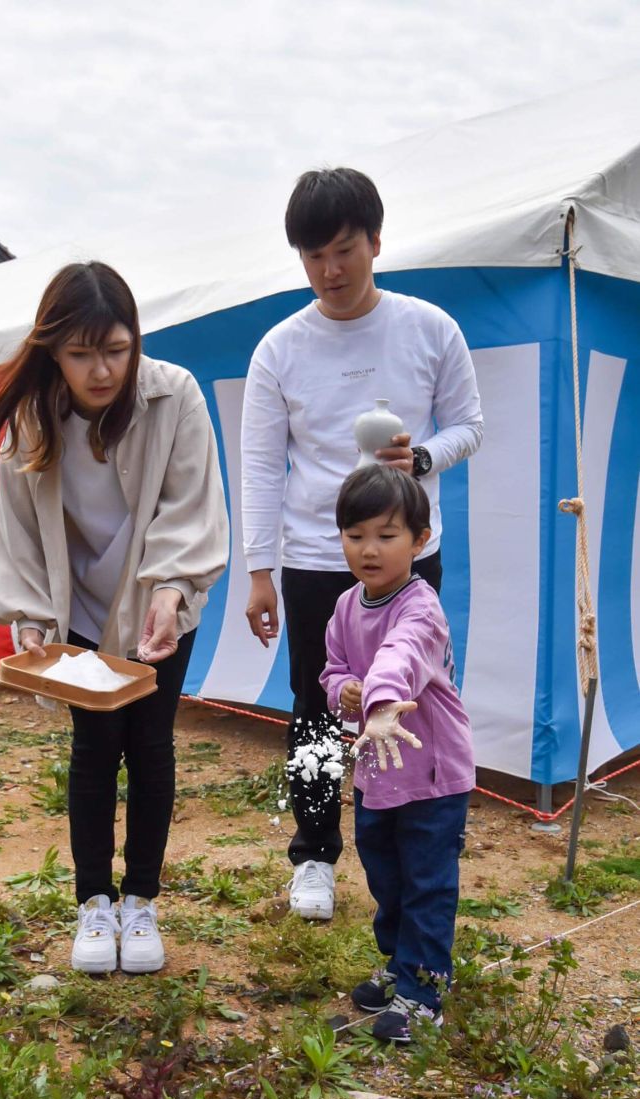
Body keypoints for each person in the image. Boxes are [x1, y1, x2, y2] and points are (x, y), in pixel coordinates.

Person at [0, 262, 229, 976]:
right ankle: (92, 903)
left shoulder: (174, 395)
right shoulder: (33, 413)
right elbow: (14, 522)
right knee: (93, 749)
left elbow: (189, 499)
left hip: (157, 602)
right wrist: (28, 617)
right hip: (72, 601)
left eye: (115, 348)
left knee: (151, 745)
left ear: (134, 338)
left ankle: (140, 901)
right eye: (81, 354)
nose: (101, 370)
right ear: (53, 351)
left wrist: (169, 593)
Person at [241, 166, 482, 921]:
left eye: (343, 250)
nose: (329, 271)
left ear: (375, 241)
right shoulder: (279, 348)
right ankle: (313, 856)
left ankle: (419, 840)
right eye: (312, 256)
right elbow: (257, 463)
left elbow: (470, 426)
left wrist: (421, 461)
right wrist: (258, 573)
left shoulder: (429, 328)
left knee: (412, 699)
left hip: (410, 556)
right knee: (317, 708)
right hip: (316, 559)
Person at [320, 464, 474, 1044]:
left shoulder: (421, 607)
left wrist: (380, 698)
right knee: (385, 876)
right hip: (378, 771)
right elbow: (333, 669)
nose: (369, 549)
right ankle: (399, 964)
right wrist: (347, 693)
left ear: (420, 540)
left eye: (387, 536)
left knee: (428, 881)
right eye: (356, 535)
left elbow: (400, 656)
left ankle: (423, 992)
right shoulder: (344, 606)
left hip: (434, 775)